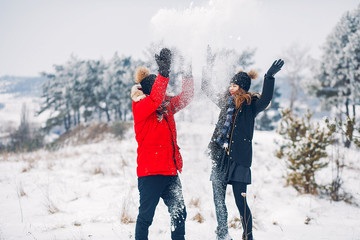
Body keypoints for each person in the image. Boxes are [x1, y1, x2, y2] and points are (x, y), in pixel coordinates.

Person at [201, 46, 284, 240]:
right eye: (230, 85)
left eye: (234, 86)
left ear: (242, 88)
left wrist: (269, 77)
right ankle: (222, 233)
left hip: (238, 159)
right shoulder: (224, 102)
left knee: (241, 201)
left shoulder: (251, 106)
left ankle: (248, 236)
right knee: (218, 200)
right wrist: (209, 65)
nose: (230, 88)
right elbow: (206, 88)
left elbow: (266, 98)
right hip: (220, 156)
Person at [131, 48, 194, 240]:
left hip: (170, 172)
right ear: (150, 91)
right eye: (160, 88)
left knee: (179, 213)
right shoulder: (141, 107)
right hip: (150, 174)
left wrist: (187, 72)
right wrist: (164, 72)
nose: (164, 93)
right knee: (145, 218)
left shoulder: (166, 106)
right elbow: (155, 98)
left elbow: (186, 97)